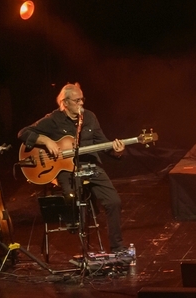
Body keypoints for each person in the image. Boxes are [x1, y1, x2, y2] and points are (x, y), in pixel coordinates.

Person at [18, 83, 127, 253]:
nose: (81, 103)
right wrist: (46, 141)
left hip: (90, 164)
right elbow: (23, 133)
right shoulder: (54, 119)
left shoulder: (90, 117)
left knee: (114, 201)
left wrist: (117, 151)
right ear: (65, 102)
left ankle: (117, 248)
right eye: (77, 100)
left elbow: (103, 144)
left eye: (82, 99)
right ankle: (76, 223)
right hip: (66, 169)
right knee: (72, 199)